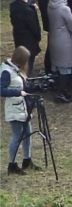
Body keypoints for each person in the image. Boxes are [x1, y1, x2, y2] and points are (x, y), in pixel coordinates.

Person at [2, 46, 41, 175]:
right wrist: (18, 92)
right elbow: (1, 90)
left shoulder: (15, 69)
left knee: (28, 133)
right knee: (17, 136)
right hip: (14, 108)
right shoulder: (7, 72)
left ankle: (27, 159)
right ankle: (12, 164)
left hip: (22, 107)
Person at [9, 0, 41, 76]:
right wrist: (38, 37)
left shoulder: (13, 7)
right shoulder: (28, 11)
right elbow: (34, 27)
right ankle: (25, 79)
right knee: (28, 61)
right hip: (29, 39)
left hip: (18, 36)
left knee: (21, 58)